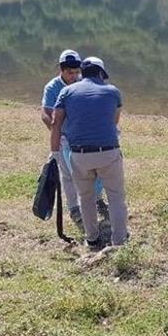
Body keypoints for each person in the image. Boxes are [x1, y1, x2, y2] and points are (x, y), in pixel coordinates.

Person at [50, 57, 129, 249]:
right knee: (116, 196)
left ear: (82, 73)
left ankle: (92, 238)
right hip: (108, 152)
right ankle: (119, 240)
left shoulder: (66, 91)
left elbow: (55, 123)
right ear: (101, 74)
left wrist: (55, 153)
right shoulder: (113, 91)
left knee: (85, 197)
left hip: (79, 154)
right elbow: (114, 121)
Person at [40, 49, 107, 230]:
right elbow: (45, 113)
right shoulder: (52, 88)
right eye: (70, 72)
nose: (74, 75)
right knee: (68, 176)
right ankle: (74, 209)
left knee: (94, 171)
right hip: (64, 138)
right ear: (61, 70)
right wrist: (56, 131)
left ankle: (98, 200)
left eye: (77, 72)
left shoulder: (82, 83)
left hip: (83, 137)